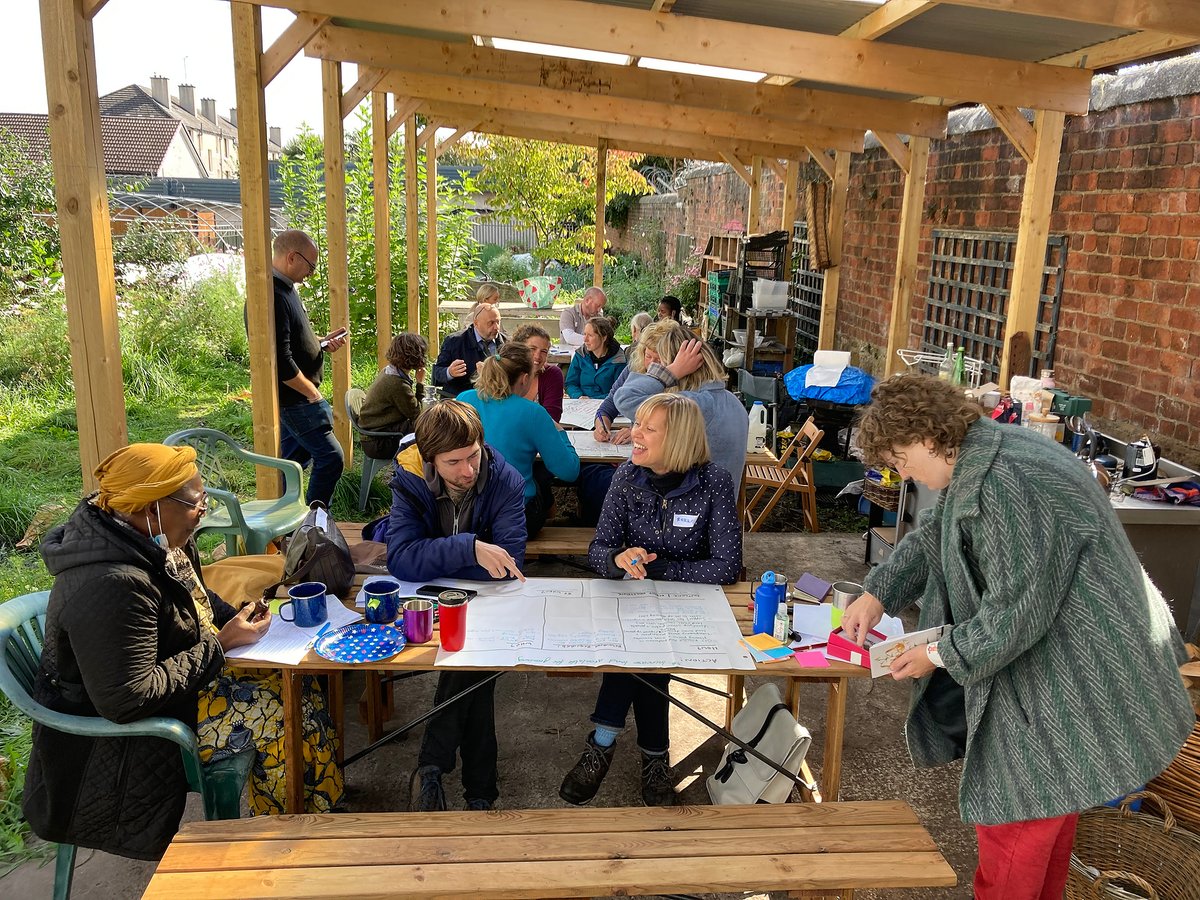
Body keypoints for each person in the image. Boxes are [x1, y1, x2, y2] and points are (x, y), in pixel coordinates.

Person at [839, 374, 1194, 900]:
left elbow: (1016, 614)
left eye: (897, 458)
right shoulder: (981, 450)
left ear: (928, 438)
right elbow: (939, 533)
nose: (900, 472)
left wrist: (936, 652)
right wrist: (879, 592)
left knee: (1016, 832)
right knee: (1043, 829)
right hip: (1055, 675)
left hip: (1077, 681)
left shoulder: (1011, 480)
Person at [24, 444, 343, 861]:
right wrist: (222, 643)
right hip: (127, 726)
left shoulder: (155, 542)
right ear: (152, 507)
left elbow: (197, 599)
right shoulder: (111, 584)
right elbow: (127, 697)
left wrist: (240, 615)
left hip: (183, 679)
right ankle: (288, 842)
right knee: (278, 713)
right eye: (197, 504)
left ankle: (313, 813)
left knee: (300, 684)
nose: (203, 512)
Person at [560, 394, 742, 808]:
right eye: (637, 424)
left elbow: (727, 566)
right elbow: (598, 547)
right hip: (635, 597)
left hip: (691, 604)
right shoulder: (626, 476)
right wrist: (615, 557)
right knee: (639, 654)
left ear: (676, 439)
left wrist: (664, 570)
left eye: (646, 429)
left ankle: (601, 745)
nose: (634, 434)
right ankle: (654, 759)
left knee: (642, 658)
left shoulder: (713, 481)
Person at [385, 401, 527, 812]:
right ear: (430, 460)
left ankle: (432, 766)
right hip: (428, 603)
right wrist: (471, 547)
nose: (468, 470)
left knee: (469, 668)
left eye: (474, 456)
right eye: (453, 462)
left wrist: (441, 554)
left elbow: (509, 563)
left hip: (488, 602)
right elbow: (401, 559)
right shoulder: (410, 477)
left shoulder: (505, 481)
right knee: (474, 673)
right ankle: (480, 793)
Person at [263, 229, 347, 507]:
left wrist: (320, 343)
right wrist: (312, 393)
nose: (312, 272)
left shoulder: (286, 289)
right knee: (331, 458)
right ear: (291, 257)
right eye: (310, 265)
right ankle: (313, 519)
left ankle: (288, 523)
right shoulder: (272, 296)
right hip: (295, 399)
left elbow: (293, 342)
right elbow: (280, 361)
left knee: (294, 464)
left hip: (299, 397)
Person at [459, 343, 580, 536]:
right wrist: (560, 432)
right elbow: (569, 471)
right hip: (516, 517)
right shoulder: (533, 412)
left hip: (466, 512)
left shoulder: (464, 399)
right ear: (525, 379)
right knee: (538, 483)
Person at [614, 321, 748, 482]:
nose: (655, 368)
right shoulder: (733, 402)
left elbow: (625, 398)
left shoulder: (692, 404)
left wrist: (672, 371)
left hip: (683, 504)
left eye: (662, 363)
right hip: (716, 504)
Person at [357, 332, 428, 459]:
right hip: (379, 442)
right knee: (427, 427)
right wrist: (420, 383)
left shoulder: (390, 371)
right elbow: (417, 415)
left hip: (375, 435)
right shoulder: (397, 383)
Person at [433, 303, 504, 398]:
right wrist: (449, 372)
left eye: (498, 322)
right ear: (476, 323)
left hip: (496, 400)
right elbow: (437, 373)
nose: (496, 327)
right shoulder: (454, 342)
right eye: (491, 323)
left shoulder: (507, 343)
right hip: (460, 403)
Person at [511, 322, 564, 423]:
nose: (537, 356)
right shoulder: (505, 372)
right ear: (518, 349)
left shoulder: (552, 374)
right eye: (532, 349)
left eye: (543, 351)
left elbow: (552, 418)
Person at [566, 316, 626, 399]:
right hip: (580, 403)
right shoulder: (580, 355)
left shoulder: (618, 361)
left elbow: (619, 391)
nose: (585, 339)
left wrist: (593, 400)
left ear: (603, 337)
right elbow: (570, 383)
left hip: (607, 405)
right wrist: (578, 396)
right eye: (584, 334)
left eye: (590, 335)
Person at [559, 285, 606, 350]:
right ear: (587, 300)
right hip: (567, 357)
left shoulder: (598, 318)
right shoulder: (568, 313)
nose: (599, 310)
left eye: (601, 307)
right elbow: (569, 337)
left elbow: (604, 339)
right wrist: (595, 341)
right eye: (597, 306)